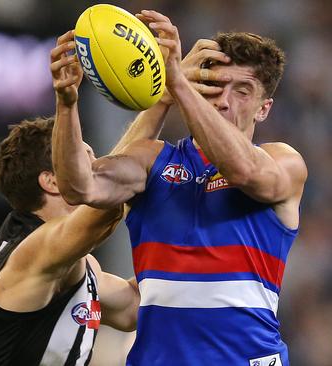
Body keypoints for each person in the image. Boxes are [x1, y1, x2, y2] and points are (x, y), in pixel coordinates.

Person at [51, 10, 307, 366]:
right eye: (215, 86)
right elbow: (79, 187)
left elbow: (243, 171)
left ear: (264, 109)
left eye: (242, 91)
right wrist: (67, 106)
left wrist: (176, 84)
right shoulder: (154, 160)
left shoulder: (283, 162)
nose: (223, 100)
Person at [0, 30, 182, 366]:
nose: (98, 166)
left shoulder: (79, 263)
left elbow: (134, 307)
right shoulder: (32, 252)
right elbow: (103, 209)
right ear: (52, 181)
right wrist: (68, 104)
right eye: (87, 157)